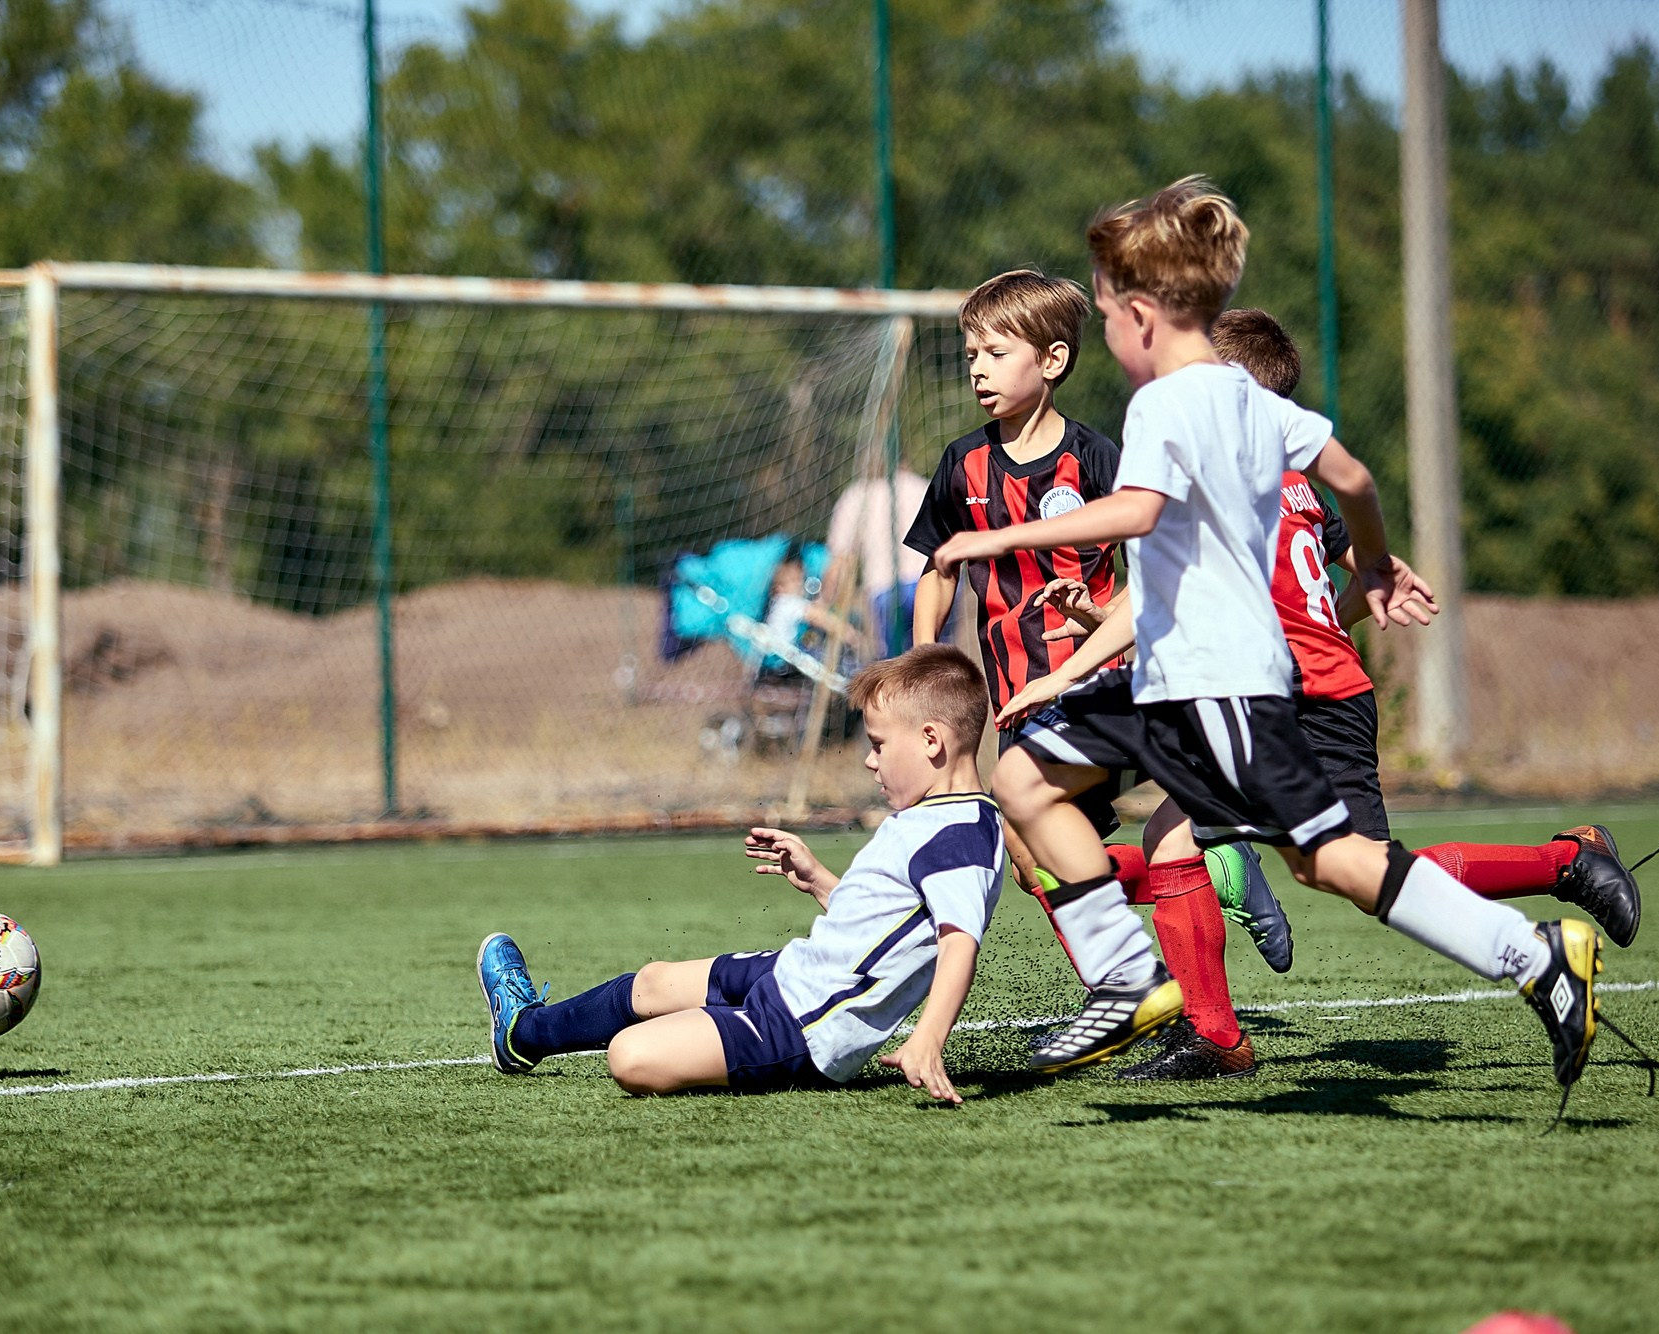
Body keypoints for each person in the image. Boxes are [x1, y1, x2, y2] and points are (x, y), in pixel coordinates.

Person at [934, 178, 1608, 1110]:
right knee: (1026, 782)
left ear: (1141, 317)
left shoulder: (1165, 405)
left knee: (1334, 861)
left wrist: (998, 537)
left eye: (1108, 314)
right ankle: (1132, 980)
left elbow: (1137, 512)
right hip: (1186, 681)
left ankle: (1533, 956)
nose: (1108, 335)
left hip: (1219, 687)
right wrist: (1374, 564)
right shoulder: (1257, 405)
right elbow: (1354, 479)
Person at [903, 266, 1287, 1067]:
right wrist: (922, 660)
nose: (977, 369)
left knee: (1034, 830)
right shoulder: (961, 466)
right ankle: (1205, 891)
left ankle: (1137, 996)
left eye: (995, 352)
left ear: (1051, 361)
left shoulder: (1097, 458)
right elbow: (938, 569)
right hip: (1017, 692)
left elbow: (1154, 566)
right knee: (1036, 860)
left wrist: (1105, 628)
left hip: (1099, 681)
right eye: (970, 354)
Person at [476, 644, 1002, 1102]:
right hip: (794, 973)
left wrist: (928, 1037)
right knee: (654, 981)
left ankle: (705, 1037)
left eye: (878, 744)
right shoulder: (936, 816)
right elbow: (888, 930)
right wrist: (820, 881)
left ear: (931, 740)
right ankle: (523, 1033)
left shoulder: (960, 834)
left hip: (801, 1029)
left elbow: (958, 943)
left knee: (630, 1056)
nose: (870, 760)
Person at [824, 467, 929, 655]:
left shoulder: (857, 495)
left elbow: (841, 559)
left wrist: (825, 601)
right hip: (930, 581)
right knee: (936, 659)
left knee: (896, 662)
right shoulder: (923, 487)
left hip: (885, 587)